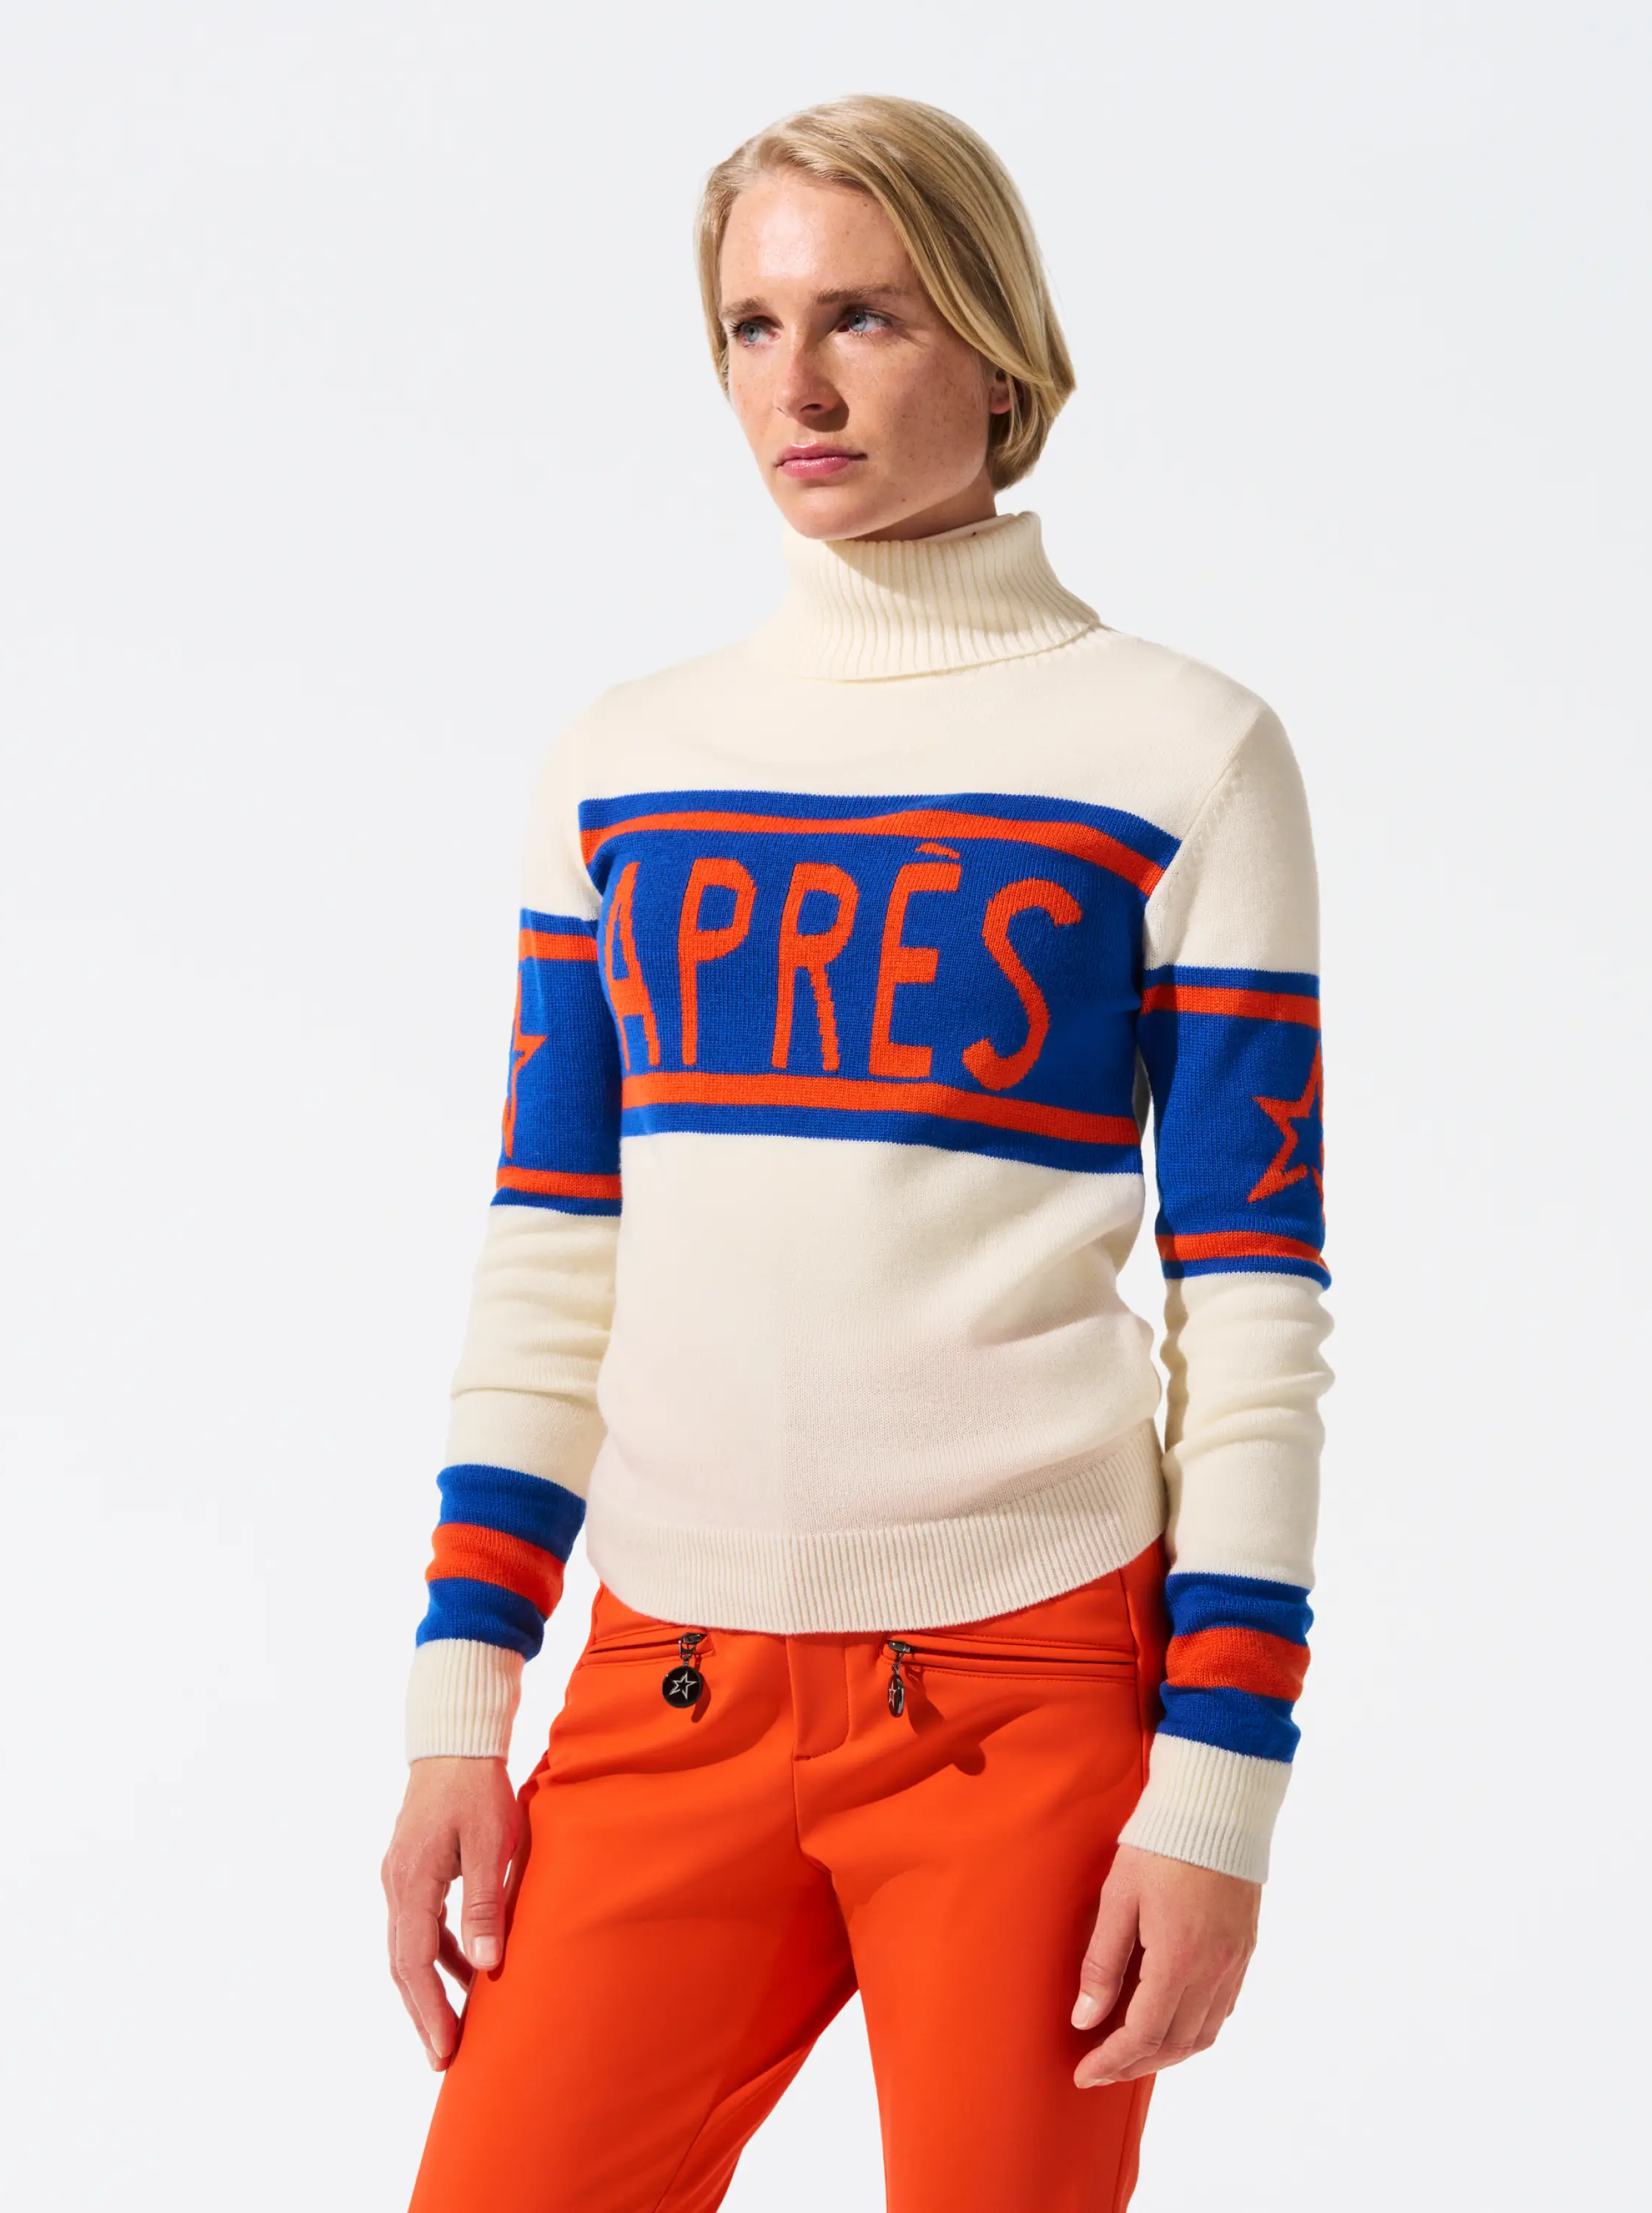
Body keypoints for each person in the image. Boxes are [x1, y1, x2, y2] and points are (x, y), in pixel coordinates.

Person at [383, 93, 1333, 2213]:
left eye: (866, 319)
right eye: (753, 326)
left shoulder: (1182, 754)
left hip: (1029, 1695)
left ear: (997, 352)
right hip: (663, 1685)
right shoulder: (626, 765)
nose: (795, 388)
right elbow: (552, 1250)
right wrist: (463, 1699)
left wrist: (1220, 1789)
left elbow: (1256, 1309)